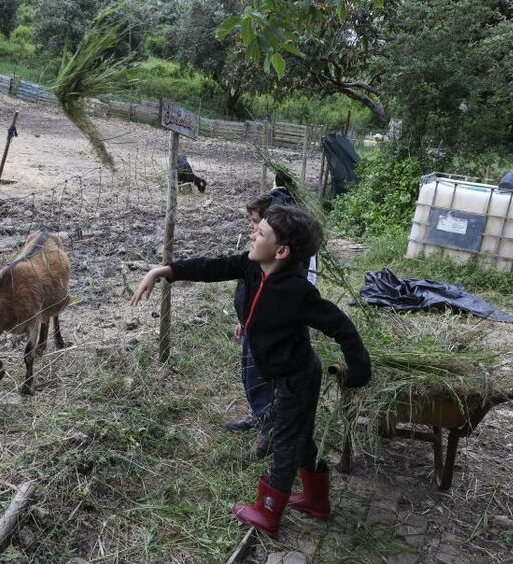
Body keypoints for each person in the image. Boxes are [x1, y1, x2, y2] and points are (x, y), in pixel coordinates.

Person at [130, 205, 370, 535]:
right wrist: (163, 271)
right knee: (300, 437)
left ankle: (269, 511)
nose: (251, 234)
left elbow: (342, 326)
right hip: (282, 374)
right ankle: (316, 501)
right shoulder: (251, 267)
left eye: (260, 233)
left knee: (285, 442)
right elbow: (210, 267)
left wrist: (359, 370)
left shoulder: (299, 292)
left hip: (297, 378)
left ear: (281, 251)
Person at [225, 191, 318, 463]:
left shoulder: (285, 261)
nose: (252, 228)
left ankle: (269, 436)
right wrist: (244, 321)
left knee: (263, 382)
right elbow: (251, 289)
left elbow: (287, 298)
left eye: (256, 222)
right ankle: (260, 418)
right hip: (253, 327)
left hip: (269, 334)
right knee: (251, 377)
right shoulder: (259, 253)